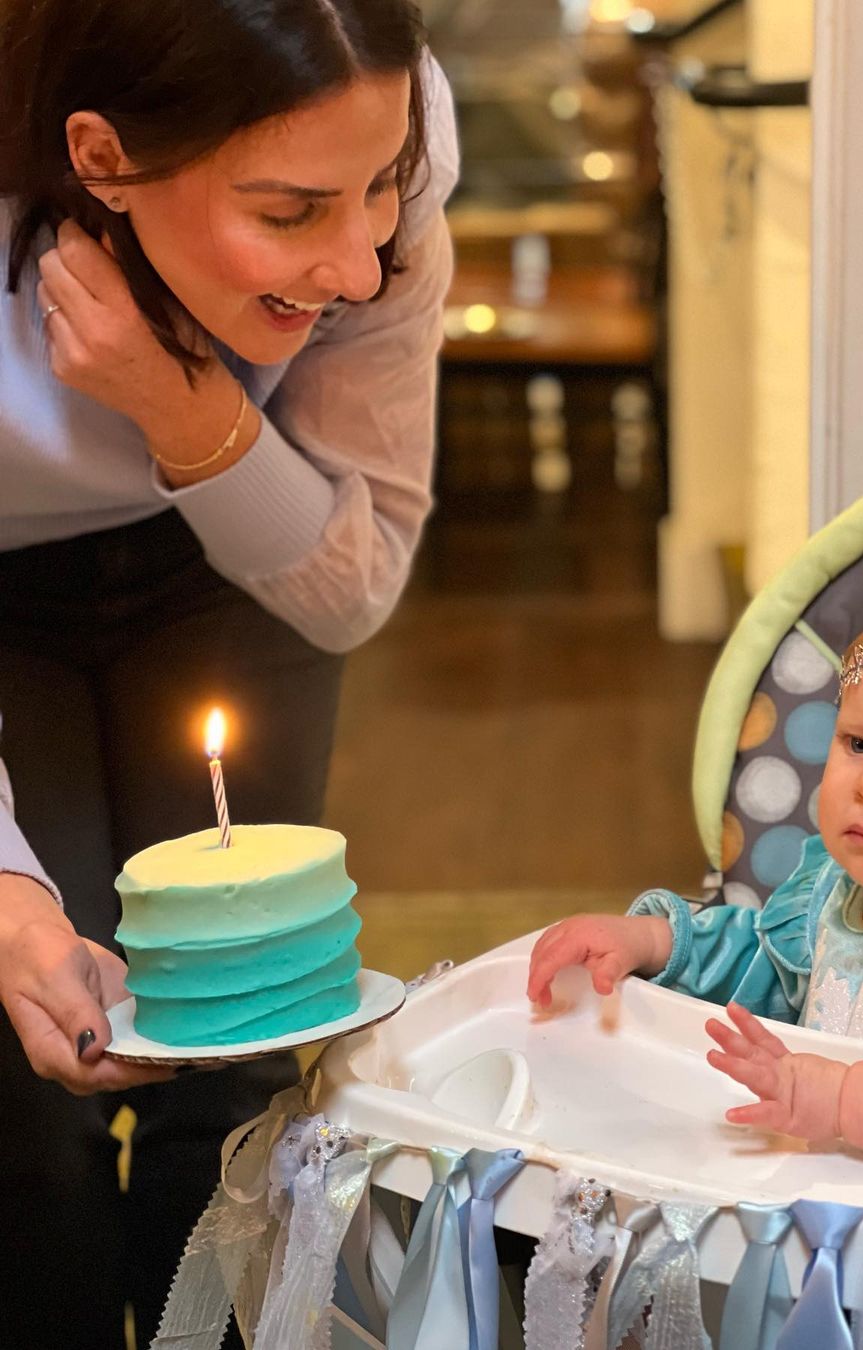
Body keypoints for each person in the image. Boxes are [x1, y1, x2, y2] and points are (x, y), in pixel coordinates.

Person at [0, 0, 458, 1345]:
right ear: (102, 157)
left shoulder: (376, 113)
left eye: (376, 195)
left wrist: (179, 406)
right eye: (293, 211)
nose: (360, 263)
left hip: (228, 549)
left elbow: (352, 581)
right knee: (27, 1092)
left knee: (241, 1054)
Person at [528, 569, 863, 1177]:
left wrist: (849, 1101)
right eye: (859, 743)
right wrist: (654, 943)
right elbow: (760, 972)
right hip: (802, 1201)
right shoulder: (830, 895)